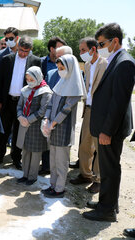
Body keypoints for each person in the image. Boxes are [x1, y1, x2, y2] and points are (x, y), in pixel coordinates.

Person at [83, 23, 135, 222]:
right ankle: (108, 203)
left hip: (110, 130)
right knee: (106, 169)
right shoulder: (113, 59)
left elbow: (119, 102)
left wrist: (107, 131)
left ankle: (106, 210)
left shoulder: (125, 63)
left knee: (110, 170)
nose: (100, 46)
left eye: (102, 43)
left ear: (115, 41)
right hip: (105, 127)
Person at [0, 36, 41, 169]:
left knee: (19, 132)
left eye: (26, 51)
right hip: (7, 101)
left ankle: (16, 158)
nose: (23, 53)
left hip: (23, 103)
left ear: (31, 50)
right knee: (3, 130)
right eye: (21, 50)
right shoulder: (7, 60)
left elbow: (38, 83)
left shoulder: (35, 61)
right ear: (17, 47)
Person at [41, 54, 86, 198]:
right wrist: (46, 119)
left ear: (71, 68)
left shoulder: (75, 89)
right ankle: (53, 185)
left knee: (61, 161)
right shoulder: (60, 84)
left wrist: (52, 123)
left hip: (63, 130)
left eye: (63, 68)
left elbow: (66, 109)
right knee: (53, 159)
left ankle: (59, 189)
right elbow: (51, 103)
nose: (60, 71)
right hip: (52, 129)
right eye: (59, 68)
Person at [69, 37, 107, 193]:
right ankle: (85, 174)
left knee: (99, 147)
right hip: (88, 109)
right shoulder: (87, 65)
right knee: (85, 145)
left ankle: (98, 179)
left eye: (83, 50)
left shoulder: (105, 64)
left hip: (101, 111)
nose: (81, 53)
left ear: (94, 49)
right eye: (80, 50)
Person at [38, 45, 73, 176]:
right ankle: (46, 167)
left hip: (63, 122)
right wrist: (47, 117)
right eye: (56, 57)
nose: (56, 59)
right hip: (49, 114)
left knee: (60, 153)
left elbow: (69, 106)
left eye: (60, 57)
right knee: (49, 147)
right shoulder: (52, 73)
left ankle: (59, 181)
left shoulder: (74, 76)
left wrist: (54, 121)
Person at [16, 66, 52, 185]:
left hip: (36, 126)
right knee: (25, 150)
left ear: (38, 77)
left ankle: (32, 177)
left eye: (32, 79)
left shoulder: (45, 92)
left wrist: (29, 120)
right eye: (27, 79)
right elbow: (19, 106)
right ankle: (25, 174)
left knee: (35, 152)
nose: (29, 81)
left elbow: (43, 110)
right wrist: (20, 116)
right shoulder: (25, 90)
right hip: (24, 124)